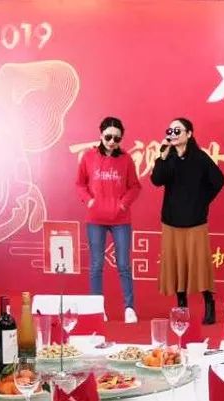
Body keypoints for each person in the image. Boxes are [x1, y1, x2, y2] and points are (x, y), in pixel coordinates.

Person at [151, 117, 224, 324]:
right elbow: (156, 180)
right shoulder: (168, 157)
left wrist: (202, 201)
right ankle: (182, 305)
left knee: (200, 265)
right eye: (170, 131)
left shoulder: (200, 158)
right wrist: (162, 156)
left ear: (189, 134)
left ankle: (209, 303)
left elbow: (219, 180)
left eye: (178, 131)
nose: (173, 134)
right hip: (171, 221)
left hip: (195, 222)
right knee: (177, 265)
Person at [76, 116, 141, 323]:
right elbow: (80, 184)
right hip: (95, 219)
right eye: (108, 137)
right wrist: (89, 201)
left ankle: (129, 308)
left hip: (121, 219)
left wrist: (123, 204)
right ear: (101, 134)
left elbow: (135, 186)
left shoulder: (126, 159)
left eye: (117, 138)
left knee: (123, 265)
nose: (112, 141)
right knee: (96, 265)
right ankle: (97, 308)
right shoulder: (88, 157)